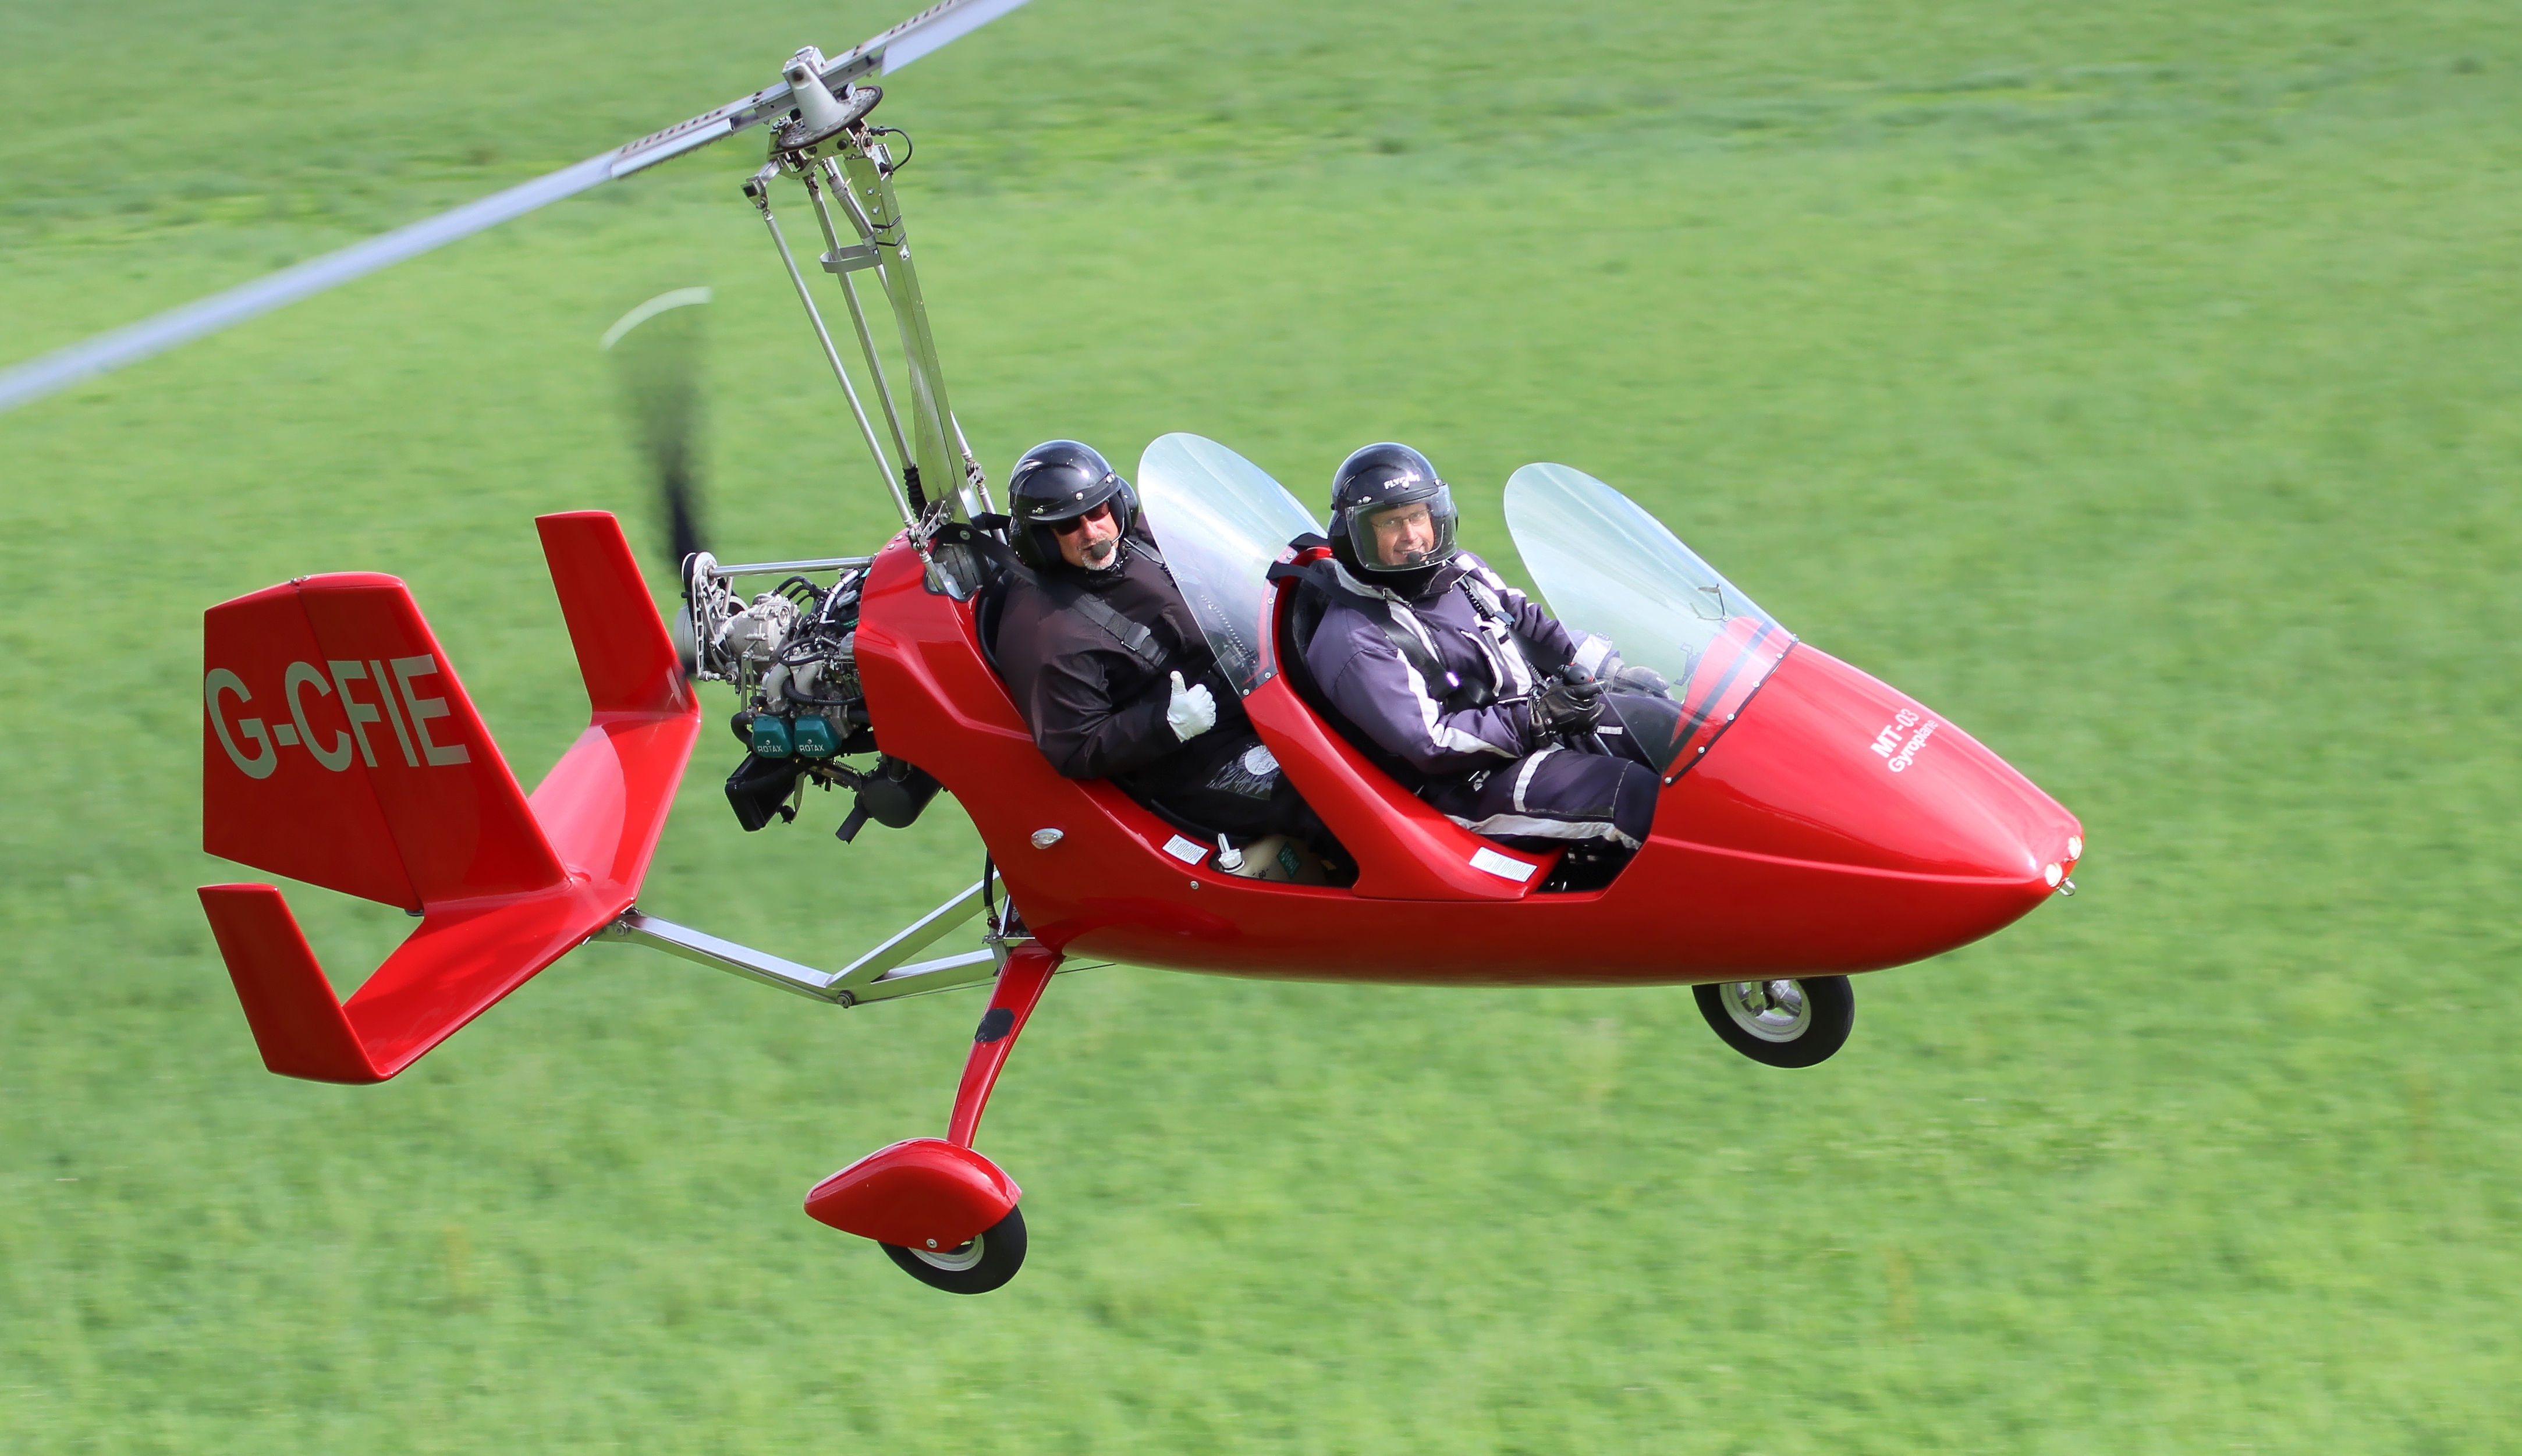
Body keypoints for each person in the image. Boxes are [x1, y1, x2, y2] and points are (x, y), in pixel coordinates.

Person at [1296, 442, 1677, 852]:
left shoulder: (1460, 569)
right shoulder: (1355, 638)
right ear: (1354, 538)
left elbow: (1528, 624)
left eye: (1416, 517)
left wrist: (1610, 671)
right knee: (1636, 797)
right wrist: (1535, 717)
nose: (1411, 538)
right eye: (1389, 524)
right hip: (1468, 785)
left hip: (1535, 726)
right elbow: (1430, 744)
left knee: (1673, 731)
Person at [991, 439, 1309, 840]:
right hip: (1193, 760)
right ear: (1038, 541)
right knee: (1322, 796)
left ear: (1119, 504)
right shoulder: (1045, 632)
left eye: (1098, 511)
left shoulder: (1140, 536)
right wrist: (1165, 724)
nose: (1093, 533)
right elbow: (1074, 747)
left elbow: (1221, 564)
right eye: (1068, 525)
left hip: (1253, 692)